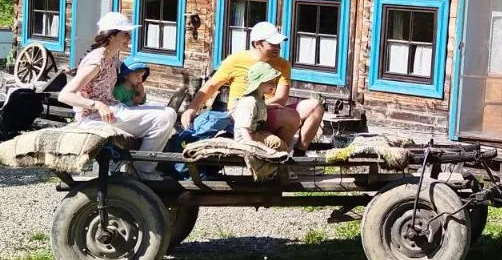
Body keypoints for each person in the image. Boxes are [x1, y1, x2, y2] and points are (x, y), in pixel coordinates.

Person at [57, 12, 177, 180]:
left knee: (165, 110)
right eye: (125, 34)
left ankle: (140, 165)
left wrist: (137, 82)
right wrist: (96, 105)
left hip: (114, 110)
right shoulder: (96, 62)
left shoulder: (111, 57)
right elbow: (64, 95)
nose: (129, 37)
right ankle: (142, 170)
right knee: (165, 117)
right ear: (112, 36)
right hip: (95, 118)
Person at [179, 21, 324, 150]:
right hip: (243, 113)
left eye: (279, 44)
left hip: (271, 110)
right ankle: (279, 160)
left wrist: (263, 105)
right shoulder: (236, 60)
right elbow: (211, 85)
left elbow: (281, 99)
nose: (277, 47)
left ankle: (298, 153)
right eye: (272, 43)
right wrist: (191, 108)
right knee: (290, 116)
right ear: (256, 44)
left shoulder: (283, 64)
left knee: (315, 106)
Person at [231, 62, 288, 150]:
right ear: (259, 84)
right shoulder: (250, 102)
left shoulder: (258, 98)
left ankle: (275, 160)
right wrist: (251, 146)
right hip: (245, 138)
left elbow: (258, 108)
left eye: (274, 82)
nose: (274, 85)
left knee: (279, 143)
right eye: (270, 82)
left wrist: (270, 107)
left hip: (255, 132)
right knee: (277, 143)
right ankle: (271, 162)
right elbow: (243, 127)